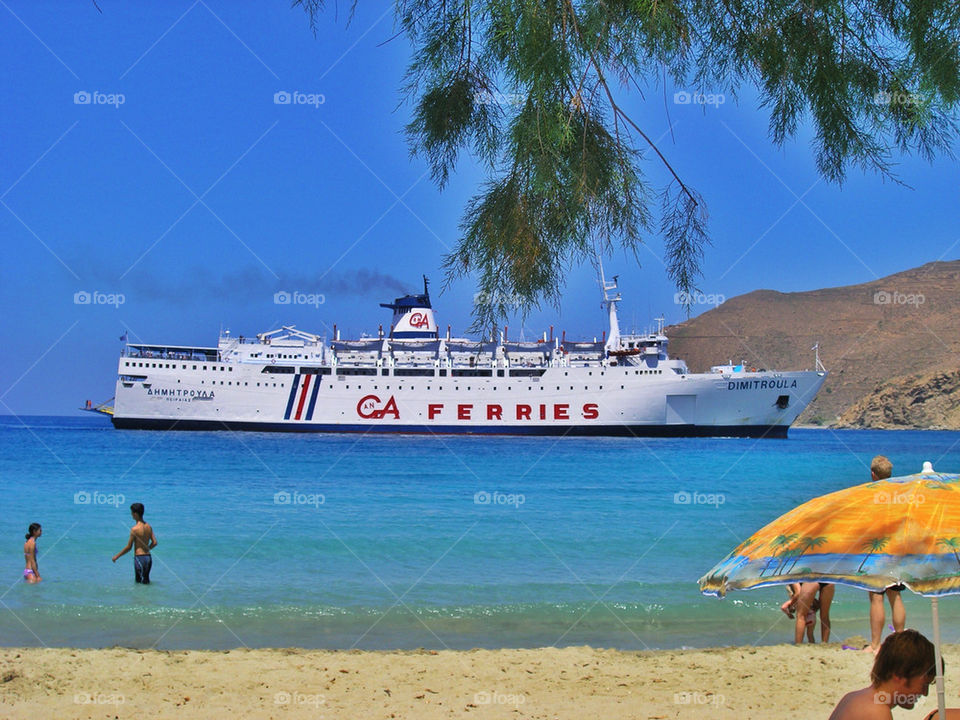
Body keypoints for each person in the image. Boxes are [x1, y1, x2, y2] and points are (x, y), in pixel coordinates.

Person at [829, 629, 952, 719]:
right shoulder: (878, 713)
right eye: (924, 684)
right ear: (899, 675)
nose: (925, 692)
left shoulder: (851, 697)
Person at [868, 455, 906, 653]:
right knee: (896, 596)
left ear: (873, 474)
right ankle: (899, 640)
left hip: (878, 551)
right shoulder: (900, 495)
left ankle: (875, 644)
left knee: (876, 597)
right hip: (896, 550)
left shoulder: (870, 495)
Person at [112, 502, 157, 584]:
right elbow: (154, 542)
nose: (131, 514)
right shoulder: (149, 526)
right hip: (148, 558)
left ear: (135, 514)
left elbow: (129, 547)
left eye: (131, 513)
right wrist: (147, 548)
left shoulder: (135, 529)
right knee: (146, 581)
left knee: (139, 583)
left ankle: (138, 597)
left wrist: (116, 556)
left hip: (139, 558)